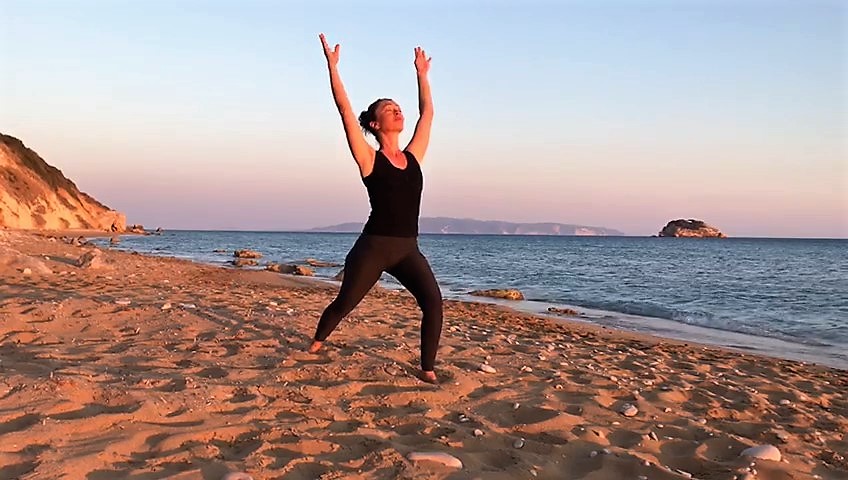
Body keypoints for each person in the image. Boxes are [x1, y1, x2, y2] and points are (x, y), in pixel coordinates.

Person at [307, 33, 444, 384]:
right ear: (375, 123)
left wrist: (422, 75)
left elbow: (427, 113)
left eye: (398, 107)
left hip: (407, 249)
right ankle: (316, 344)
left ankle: (426, 368)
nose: (397, 111)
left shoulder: (413, 157)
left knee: (433, 301)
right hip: (373, 248)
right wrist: (333, 68)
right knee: (344, 304)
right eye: (388, 109)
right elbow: (344, 111)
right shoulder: (369, 159)